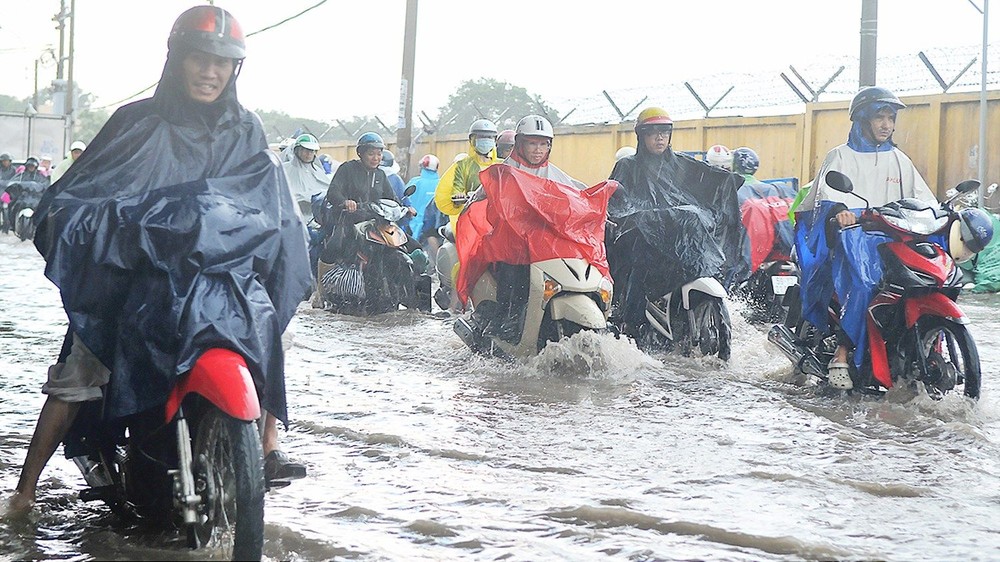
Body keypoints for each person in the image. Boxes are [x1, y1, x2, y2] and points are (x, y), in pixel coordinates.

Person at [5, 5, 311, 516]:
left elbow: (275, 209)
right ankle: (24, 490)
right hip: (136, 278)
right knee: (81, 369)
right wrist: (135, 230)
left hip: (217, 278)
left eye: (223, 63)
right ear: (177, 59)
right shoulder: (134, 123)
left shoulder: (247, 130)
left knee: (274, 327)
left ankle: (267, 444)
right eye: (200, 58)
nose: (210, 72)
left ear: (236, 69)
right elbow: (74, 201)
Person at [795, 86, 937, 389]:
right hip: (853, 237)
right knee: (864, 283)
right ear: (862, 119)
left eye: (891, 118)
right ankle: (842, 353)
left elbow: (924, 199)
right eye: (880, 118)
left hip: (893, 237)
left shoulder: (900, 159)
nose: (887, 125)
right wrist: (842, 211)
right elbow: (829, 197)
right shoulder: (840, 156)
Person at [605, 107, 746, 338]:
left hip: (677, 237)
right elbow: (618, 201)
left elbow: (713, 181)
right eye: (653, 132)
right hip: (642, 240)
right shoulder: (628, 166)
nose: (660, 137)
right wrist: (638, 218)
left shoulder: (680, 163)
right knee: (638, 262)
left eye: (664, 131)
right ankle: (631, 321)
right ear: (641, 136)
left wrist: (730, 182)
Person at [434, 119, 501, 234]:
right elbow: (456, 188)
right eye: (481, 137)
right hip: (471, 223)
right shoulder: (463, 165)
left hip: (496, 223)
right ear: (472, 140)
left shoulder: (501, 166)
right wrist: (458, 197)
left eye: (490, 137)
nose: (486, 140)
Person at [283, 133, 332, 219]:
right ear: (297, 150)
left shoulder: (318, 171)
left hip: (316, 219)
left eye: (312, 151)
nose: (309, 154)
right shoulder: (284, 169)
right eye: (306, 150)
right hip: (291, 218)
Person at [405, 153, 442, 246]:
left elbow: (404, 199)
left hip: (414, 223)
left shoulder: (415, 182)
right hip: (435, 224)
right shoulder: (441, 183)